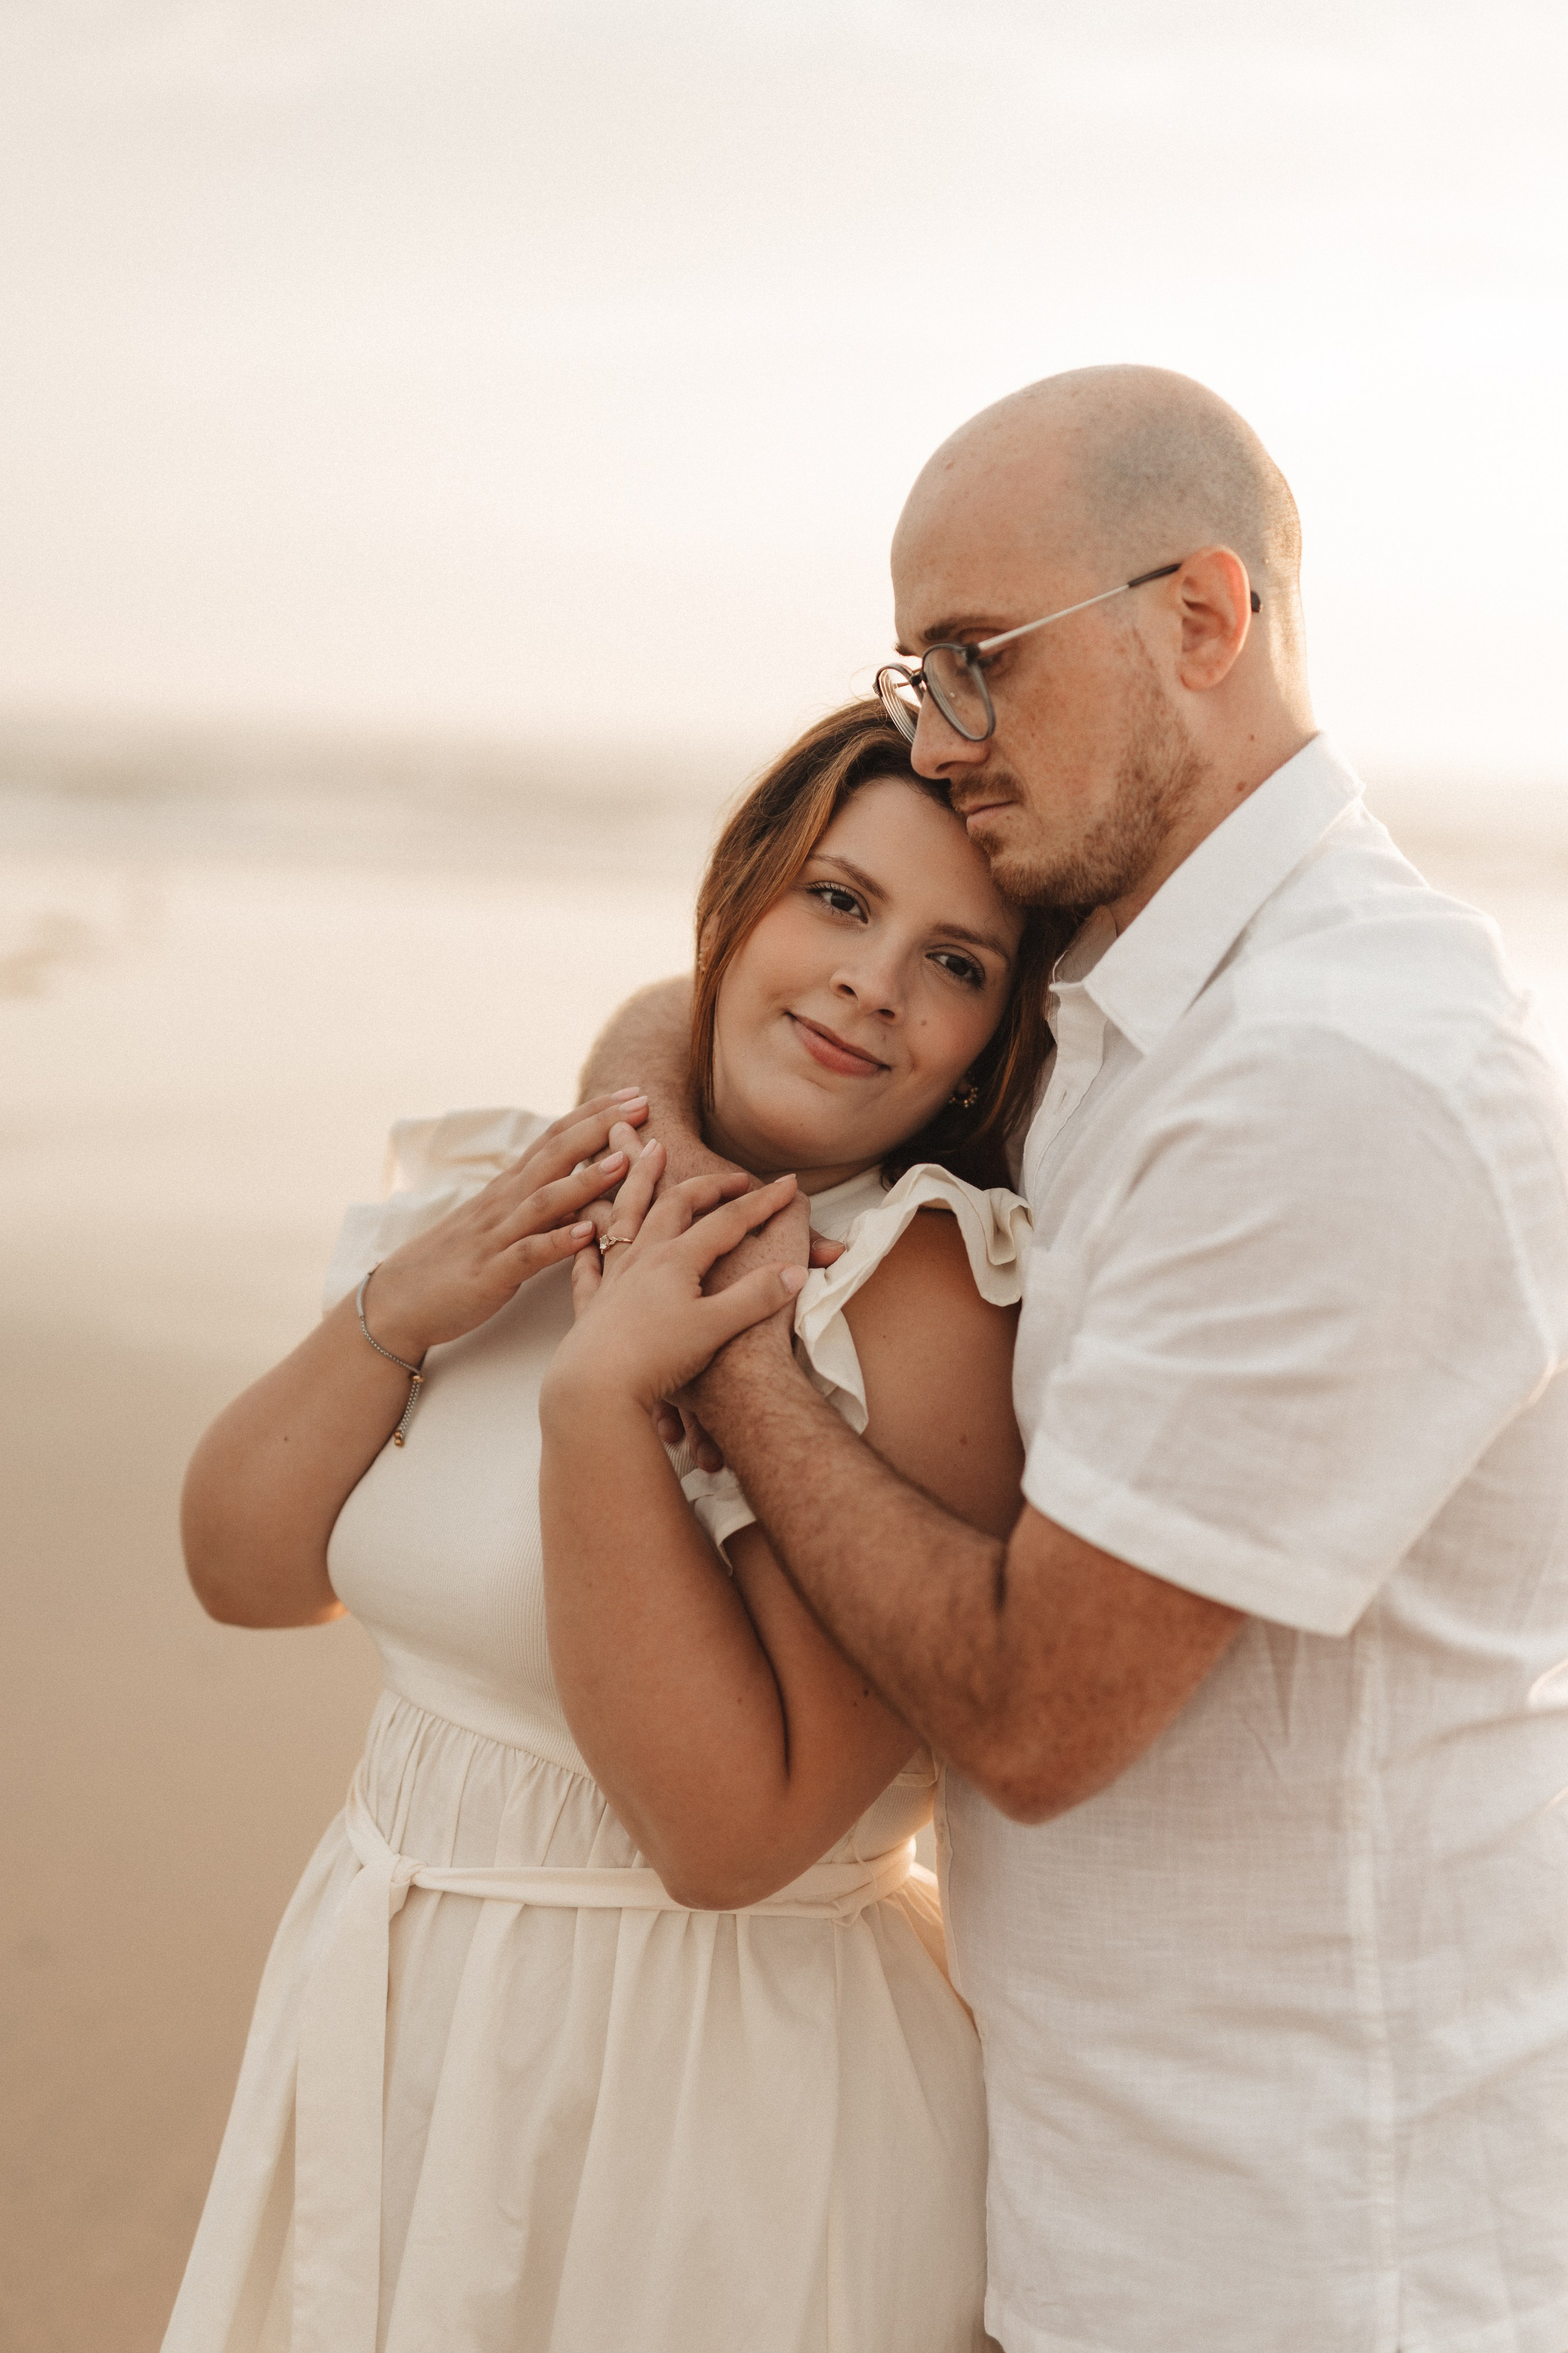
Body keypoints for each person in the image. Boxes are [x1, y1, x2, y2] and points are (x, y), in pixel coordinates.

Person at [582, 366, 1568, 2353]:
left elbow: (1036, 1714)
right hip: (1102, 2213)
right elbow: (701, 996)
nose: (937, 742)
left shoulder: (1331, 1078)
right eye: (914, 670)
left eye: (976, 663)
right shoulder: (1127, 1019)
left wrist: (727, 1337)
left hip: (1314, 2266)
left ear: (1201, 620)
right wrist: (649, 1133)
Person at [163, 700, 1063, 2353]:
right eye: (841, 901)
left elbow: (732, 1832)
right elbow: (244, 1568)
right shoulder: (542, 1176)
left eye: (959, 963)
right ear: (740, 899)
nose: (874, 979)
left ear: (993, 1045)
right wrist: (397, 1306)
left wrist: (604, 1402)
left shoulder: (922, 1290)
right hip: (401, 2019)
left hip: (704, 2109)